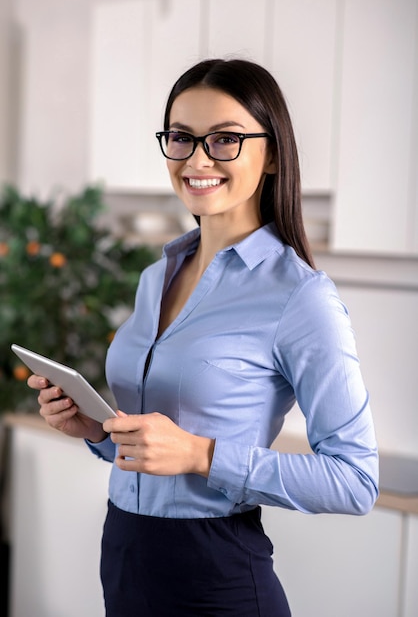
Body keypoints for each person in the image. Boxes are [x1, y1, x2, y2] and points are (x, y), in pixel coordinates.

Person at [28, 58, 379, 616]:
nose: (197, 159)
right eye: (182, 138)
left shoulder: (300, 296)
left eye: (224, 140)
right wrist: (97, 429)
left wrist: (201, 455)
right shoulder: (155, 277)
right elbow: (154, 445)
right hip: (126, 560)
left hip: (217, 578)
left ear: (273, 157)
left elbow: (355, 480)